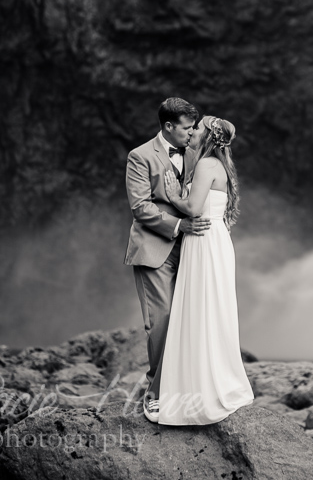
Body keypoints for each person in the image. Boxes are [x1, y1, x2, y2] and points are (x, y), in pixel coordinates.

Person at [156, 115, 254, 425]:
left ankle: (200, 388)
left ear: (209, 136)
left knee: (201, 309)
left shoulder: (207, 165)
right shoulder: (218, 165)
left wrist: (172, 194)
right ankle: (205, 382)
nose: (192, 130)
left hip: (204, 241)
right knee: (209, 309)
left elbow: (194, 209)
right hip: (212, 241)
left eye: (197, 127)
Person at [124, 98, 211, 423]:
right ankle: (156, 393)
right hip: (154, 248)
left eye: (193, 128)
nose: (191, 134)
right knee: (161, 318)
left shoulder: (194, 152)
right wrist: (178, 225)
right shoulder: (140, 156)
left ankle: (187, 388)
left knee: (189, 316)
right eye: (187, 128)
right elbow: (140, 207)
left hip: (192, 247)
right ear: (168, 126)